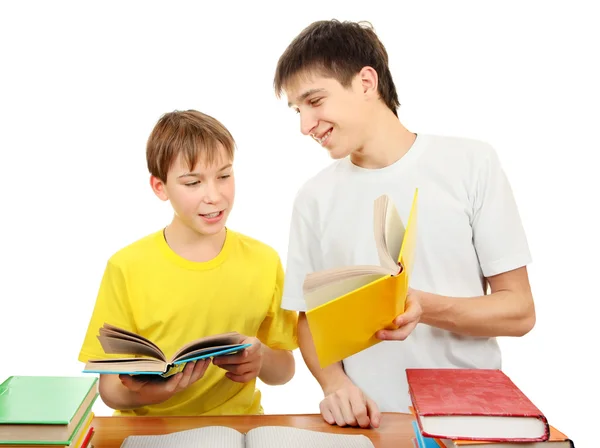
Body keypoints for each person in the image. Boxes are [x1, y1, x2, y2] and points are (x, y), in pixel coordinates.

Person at [273, 19, 535, 429]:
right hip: (371, 424)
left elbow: (519, 311)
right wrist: (335, 385)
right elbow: (308, 317)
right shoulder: (314, 197)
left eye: (314, 101)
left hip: (470, 420)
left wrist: (421, 306)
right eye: (297, 109)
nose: (305, 125)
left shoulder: (471, 164)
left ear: (365, 82)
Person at [78, 110, 298, 416]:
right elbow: (110, 390)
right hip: (151, 432)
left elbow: (285, 369)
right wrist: (156, 394)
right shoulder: (127, 267)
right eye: (193, 183)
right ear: (160, 188)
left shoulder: (264, 260)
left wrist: (261, 361)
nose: (214, 196)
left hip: (239, 430)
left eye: (224, 176)